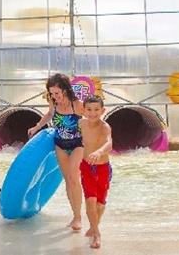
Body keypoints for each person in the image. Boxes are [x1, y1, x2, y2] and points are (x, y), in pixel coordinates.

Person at [27, 73, 85, 231]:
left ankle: (79, 217)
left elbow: (92, 119)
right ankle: (74, 215)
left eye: (56, 93)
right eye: (51, 93)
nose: (54, 96)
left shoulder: (77, 105)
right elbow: (49, 115)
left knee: (74, 177)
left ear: (65, 90)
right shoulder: (54, 104)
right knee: (67, 180)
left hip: (78, 145)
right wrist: (37, 127)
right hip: (60, 145)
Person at [78, 95, 113, 249]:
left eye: (96, 110)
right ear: (84, 111)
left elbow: (109, 143)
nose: (93, 113)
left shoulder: (105, 127)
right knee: (90, 199)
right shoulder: (81, 124)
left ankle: (93, 226)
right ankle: (97, 234)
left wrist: (99, 152)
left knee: (100, 203)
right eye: (89, 110)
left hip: (103, 167)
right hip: (86, 166)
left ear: (103, 110)